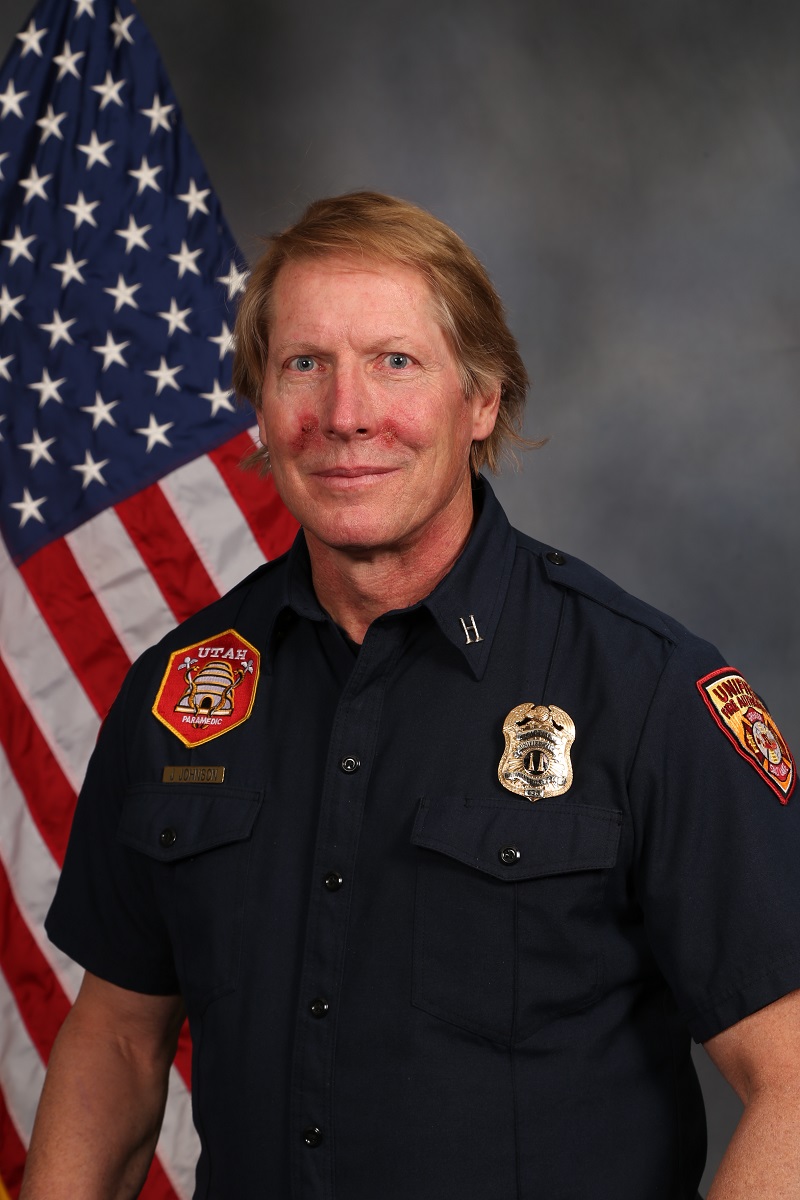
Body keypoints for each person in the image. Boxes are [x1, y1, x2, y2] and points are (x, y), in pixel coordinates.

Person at [21, 191, 800, 1200]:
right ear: (261, 402)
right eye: (304, 364)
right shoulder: (179, 695)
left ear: (481, 401)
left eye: (395, 361)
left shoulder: (647, 693)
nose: (345, 415)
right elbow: (119, 1046)